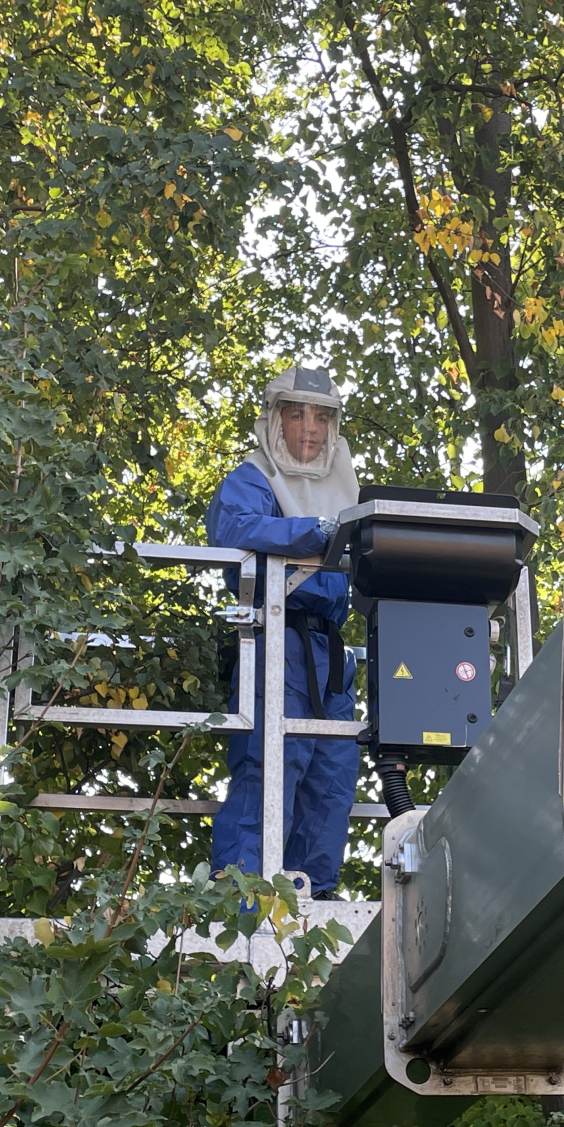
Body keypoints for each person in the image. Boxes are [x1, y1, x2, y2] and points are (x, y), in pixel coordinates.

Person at [207, 365, 361, 900]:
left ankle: (312, 894)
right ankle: (242, 891)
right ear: (276, 420)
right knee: (270, 767)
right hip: (280, 638)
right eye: (297, 414)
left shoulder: (345, 487)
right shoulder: (255, 476)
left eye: (321, 416)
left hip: (332, 654)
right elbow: (235, 528)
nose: (310, 428)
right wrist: (311, 534)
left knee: (332, 778)